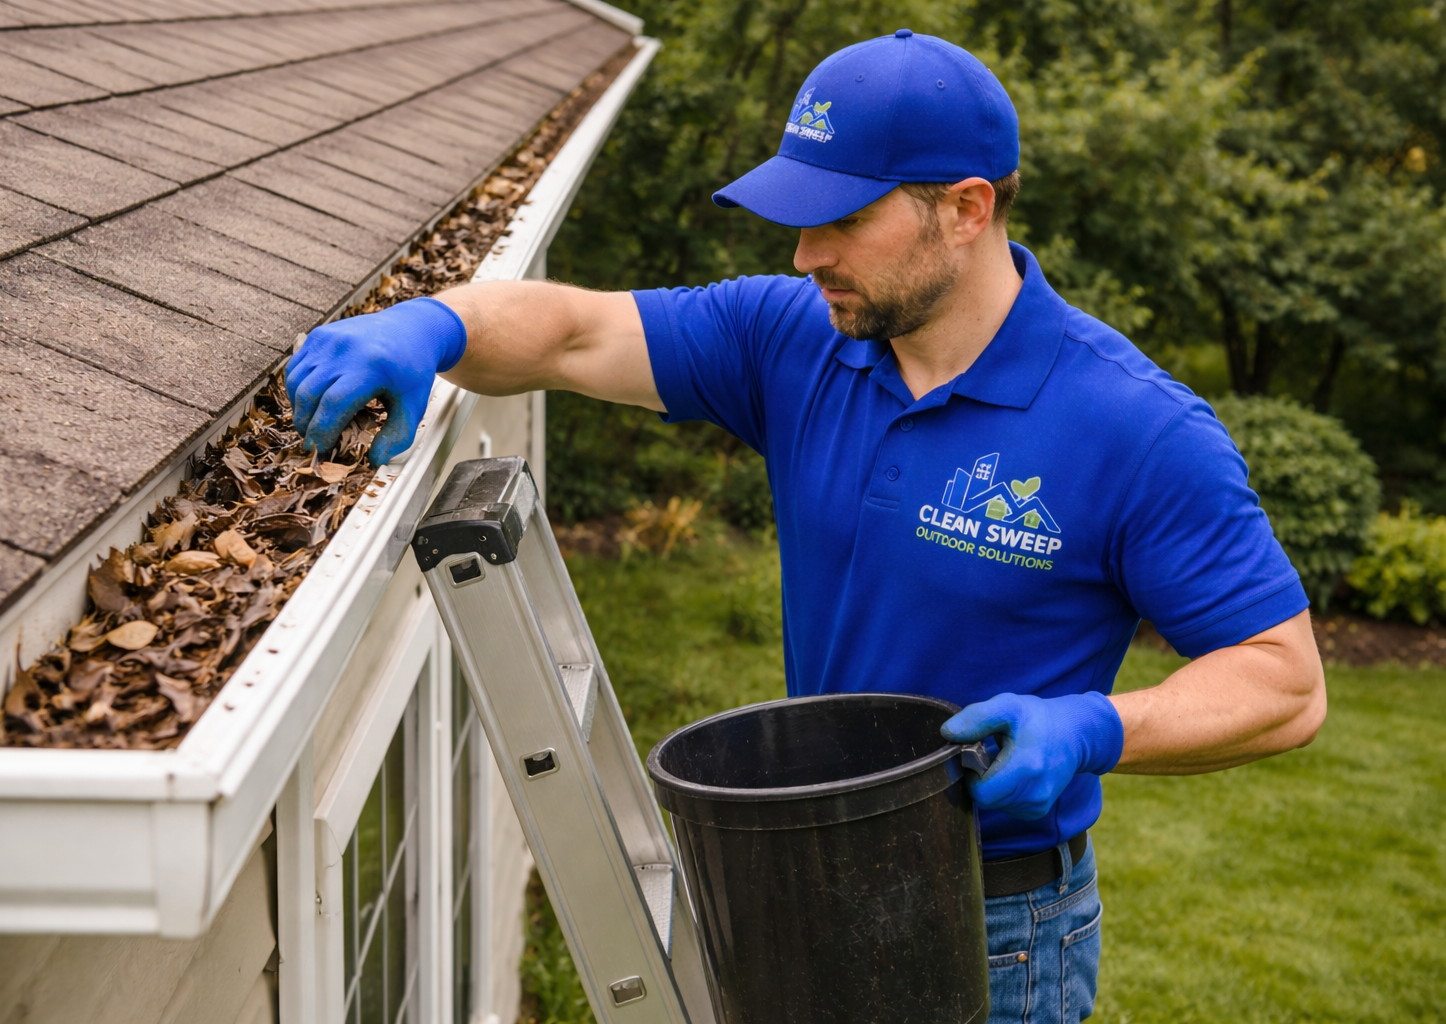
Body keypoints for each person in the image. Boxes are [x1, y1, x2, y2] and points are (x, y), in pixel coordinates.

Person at [286, 29, 1325, 1024]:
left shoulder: (1135, 429)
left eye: (843, 219)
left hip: (992, 922)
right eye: (799, 217)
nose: (805, 254)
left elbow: (1283, 682)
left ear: (966, 209)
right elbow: (573, 333)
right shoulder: (795, 338)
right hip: (796, 879)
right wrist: (437, 325)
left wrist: (1095, 729)